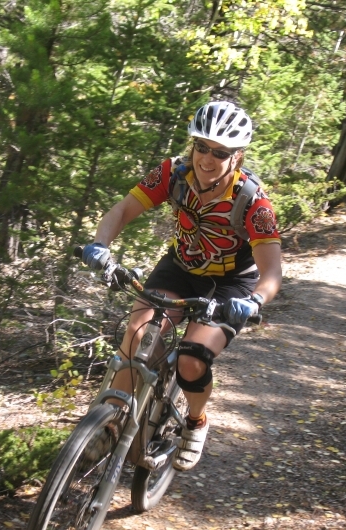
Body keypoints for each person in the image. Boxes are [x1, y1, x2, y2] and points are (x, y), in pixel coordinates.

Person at [81, 100, 282, 471]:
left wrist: (254, 301)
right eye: (201, 146)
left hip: (232, 284)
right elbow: (123, 210)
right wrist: (100, 245)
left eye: (219, 152)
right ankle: (108, 423)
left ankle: (195, 421)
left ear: (236, 156)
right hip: (181, 266)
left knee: (192, 360)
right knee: (140, 336)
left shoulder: (253, 201)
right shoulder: (174, 174)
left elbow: (272, 271)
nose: (207, 157)